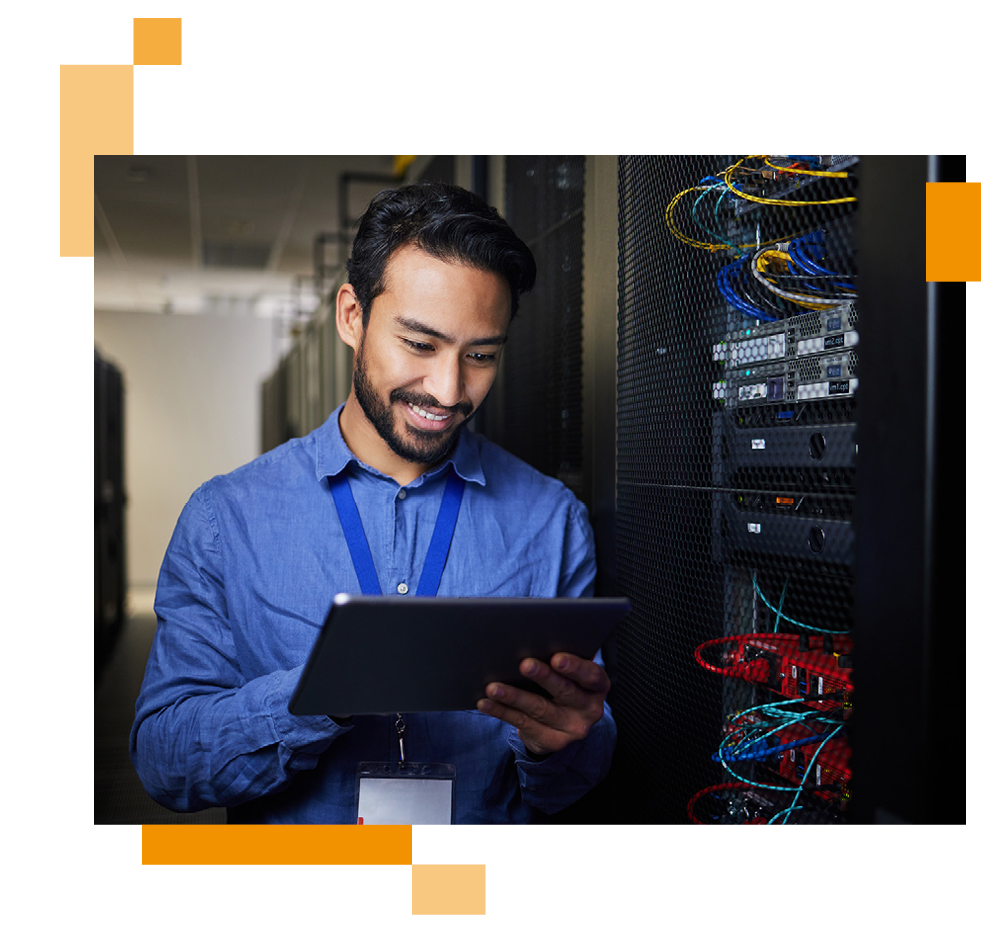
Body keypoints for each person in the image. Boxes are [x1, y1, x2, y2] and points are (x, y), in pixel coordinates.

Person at [130, 181, 616, 824]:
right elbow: (165, 761)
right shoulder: (227, 518)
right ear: (352, 316)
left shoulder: (550, 521)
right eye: (420, 344)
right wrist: (318, 694)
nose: (447, 390)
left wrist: (561, 743)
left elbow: (570, 782)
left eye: (480, 355)